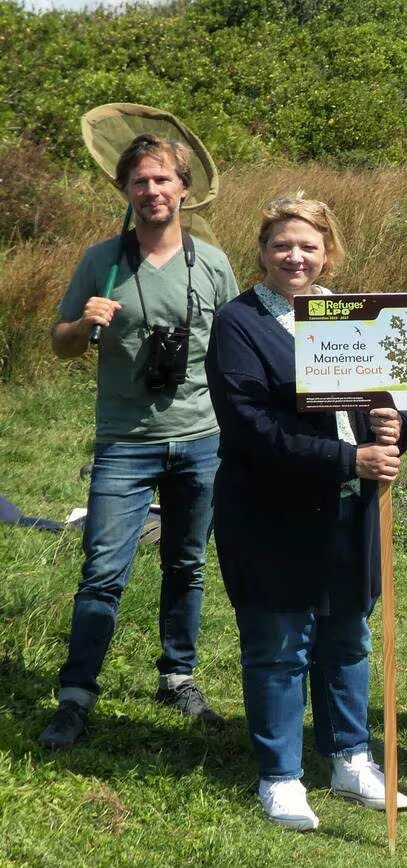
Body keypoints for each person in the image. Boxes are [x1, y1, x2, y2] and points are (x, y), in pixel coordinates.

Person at [205, 196, 407, 830]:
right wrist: (348, 460)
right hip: (272, 513)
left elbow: (392, 398)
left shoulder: (350, 316)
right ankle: (281, 775)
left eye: (309, 247)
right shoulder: (238, 323)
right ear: (262, 251)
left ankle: (349, 759)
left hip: (348, 515)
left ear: (330, 252)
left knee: (346, 639)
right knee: (278, 645)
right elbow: (250, 427)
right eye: (281, 246)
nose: (295, 257)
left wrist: (391, 421)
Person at [38, 134, 238, 750]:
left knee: (187, 564)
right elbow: (60, 342)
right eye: (139, 182)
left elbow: (236, 351)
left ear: (185, 189)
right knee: (102, 571)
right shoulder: (102, 259)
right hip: (124, 442)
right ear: (126, 191)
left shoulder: (213, 263)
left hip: (201, 440)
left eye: (162, 180)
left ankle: (177, 676)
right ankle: (76, 695)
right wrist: (82, 325)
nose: (152, 191)